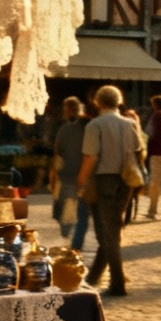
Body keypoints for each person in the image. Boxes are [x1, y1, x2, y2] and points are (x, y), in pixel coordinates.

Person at [76, 85, 142, 296]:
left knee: (107, 233)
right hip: (126, 180)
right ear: (119, 101)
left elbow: (91, 157)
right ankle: (94, 277)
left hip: (103, 180)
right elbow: (138, 151)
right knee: (111, 227)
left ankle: (118, 282)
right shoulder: (130, 123)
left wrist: (81, 179)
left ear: (98, 102)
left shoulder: (95, 125)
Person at [49, 97, 92, 250]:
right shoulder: (87, 128)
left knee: (66, 213)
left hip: (67, 175)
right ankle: (75, 246)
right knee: (79, 215)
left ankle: (69, 243)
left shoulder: (64, 129)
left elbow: (57, 153)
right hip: (82, 175)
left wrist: (53, 178)